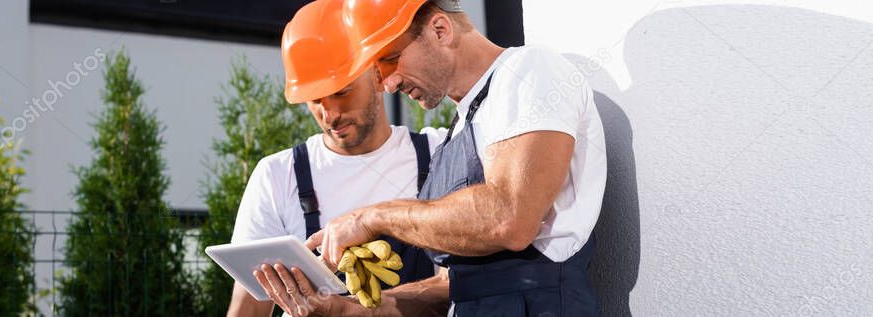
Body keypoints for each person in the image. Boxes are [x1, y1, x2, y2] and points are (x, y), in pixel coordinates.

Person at [259, 0, 608, 315]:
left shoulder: (530, 72)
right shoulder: (457, 133)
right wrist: (343, 309)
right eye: (379, 72)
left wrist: (374, 217)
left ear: (440, 30)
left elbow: (509, 218)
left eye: (391, 59)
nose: (390, 84)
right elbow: (449, 287)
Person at [231, 1, 450, 316]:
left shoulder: (438, 152)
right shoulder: (278, 177)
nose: (330, 114)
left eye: (342, 92)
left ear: (378, 75)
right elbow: (248, 308)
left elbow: (462, 285)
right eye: (315, 100)